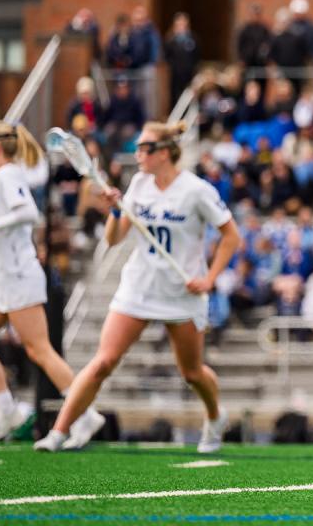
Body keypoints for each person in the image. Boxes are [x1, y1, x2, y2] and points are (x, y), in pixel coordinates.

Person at [35, 122, 242, 453]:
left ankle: (215, 416)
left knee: (191, 373)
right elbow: (114, 238)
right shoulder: (139, 185)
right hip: (139, 287)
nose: (138, 155)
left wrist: (210, 278)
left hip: (180, 292)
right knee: (104, 361)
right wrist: (117, 211)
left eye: (144, 148)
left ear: (164, 153)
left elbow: (232, 236)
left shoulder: (196, 190)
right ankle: (59, 432)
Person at [0, 123, 102, 442]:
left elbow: (29, 212)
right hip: (3, 280)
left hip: (19, 277)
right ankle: (6, 409)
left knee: (40, 350)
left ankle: (85, 414)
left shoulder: (9, 175)